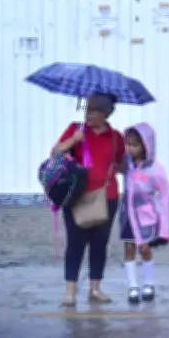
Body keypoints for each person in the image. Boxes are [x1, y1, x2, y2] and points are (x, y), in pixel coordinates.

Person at [52, 93, 125, 306]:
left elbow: (123, 166)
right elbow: (54, 153)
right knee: (75, 243)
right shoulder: (76, 130)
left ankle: (95, 288)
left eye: (94, 111)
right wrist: (73, 141)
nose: (89, 114)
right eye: (87, 109)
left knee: (99, 243)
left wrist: (117, 167)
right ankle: (70, 291)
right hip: (76, 197)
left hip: (106, 197)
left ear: (106, 114)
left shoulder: (115, 137)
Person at [119, 122, 169, 304]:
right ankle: (132, 286)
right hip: (127, 215)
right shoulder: (126, 164)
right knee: (129, 247)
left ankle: (149, 282)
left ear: (146, 145)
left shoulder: (155, 169)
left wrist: (164, 229)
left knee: (145, 248)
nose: (130, 148)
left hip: (145, 216)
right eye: (128, 144)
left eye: (134, 145)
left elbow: (164, 196)